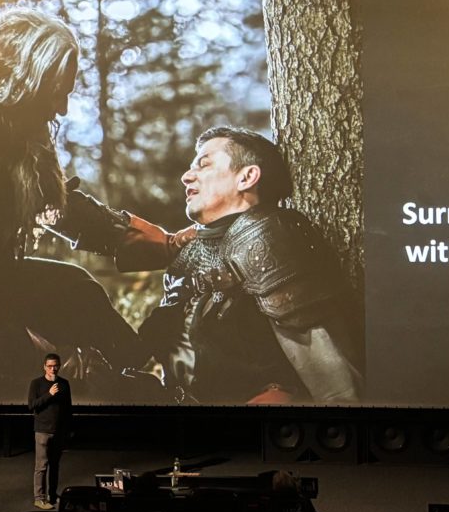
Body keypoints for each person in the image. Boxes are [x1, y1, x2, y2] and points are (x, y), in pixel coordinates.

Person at [0, 8, 143, 402]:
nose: (63, 109)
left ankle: (149, 385)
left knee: (75, 289)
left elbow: (54, 201)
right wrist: (60, 362)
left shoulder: (10, 129)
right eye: (58, 93)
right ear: (26, 82)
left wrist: (134, 236)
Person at [55, 125, 364, 404]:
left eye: (204, 164)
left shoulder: (268, 234)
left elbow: (334, 385)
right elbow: (139, 240)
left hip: (247, 428)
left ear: (247, 177)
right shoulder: (197, 245)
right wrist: (57, 205)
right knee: (73, 295)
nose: (187, 176)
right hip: (184, 412)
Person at [28, 353, 71, 509]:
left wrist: (68, 430)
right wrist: (49, 394)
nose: (53, 369)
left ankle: (52, 496)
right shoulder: (36, 384)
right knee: (41, 466)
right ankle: (39, 498)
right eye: (50, 366)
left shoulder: (64, 384)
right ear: (44, 367)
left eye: (56, 366)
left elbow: (67, 409)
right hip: (42, 431)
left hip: (58, 431)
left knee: (55, 466)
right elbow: (32, 405)